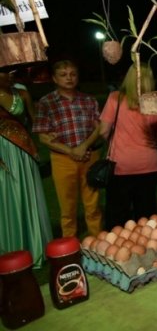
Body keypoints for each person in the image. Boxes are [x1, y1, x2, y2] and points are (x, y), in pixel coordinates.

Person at [32, 60, 103, 237]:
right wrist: (70, 150)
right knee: (67, 207)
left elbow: (99, 127)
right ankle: (70, 247)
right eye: (63, 75)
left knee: (92, 204)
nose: (69, 78)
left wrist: (83, 146)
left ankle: (97, 243)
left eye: (72, 74)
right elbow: (43, 136)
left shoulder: (88, 100)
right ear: (55, 79)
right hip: (63, 160)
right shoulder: (46, 102)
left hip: (89, 155)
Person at [99, 64, 157, 230]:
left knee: (118, 217)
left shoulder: (115, 98)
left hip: (121, 165)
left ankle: (118, 253)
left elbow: (103, 131)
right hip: (149, 165)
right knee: (146, 216)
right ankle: (148, 251)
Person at [0, 71, 53, 268]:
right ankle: (11, 250)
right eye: (4, 71)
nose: (10, 74)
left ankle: (34, 246)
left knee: (27, 195)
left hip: (22, 150)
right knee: (7, 197)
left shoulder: (21, 92)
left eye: (13, 70)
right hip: (2, 151)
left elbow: (34, 121)